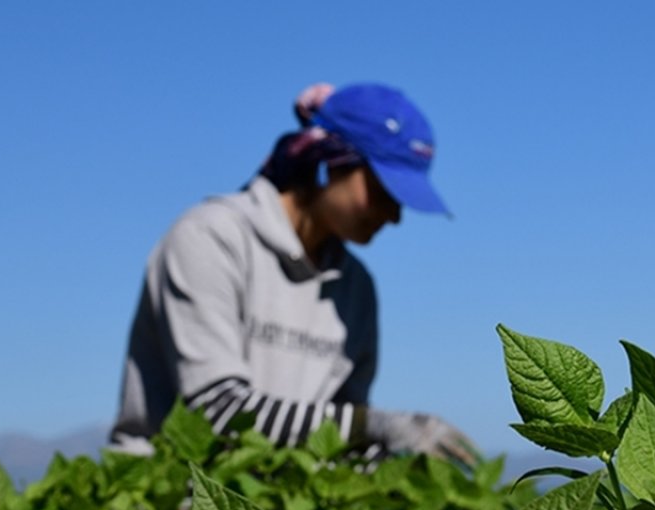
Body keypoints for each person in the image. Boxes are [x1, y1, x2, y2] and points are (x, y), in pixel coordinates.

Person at [109, 82, 478, 466]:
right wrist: (381, 426)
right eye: (383, 190)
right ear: (328, 161)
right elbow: (218, 410)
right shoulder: (210, 240)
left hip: (276, 497)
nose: (394, 215)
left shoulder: (355, 289)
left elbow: (338, 440)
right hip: (166, 499)